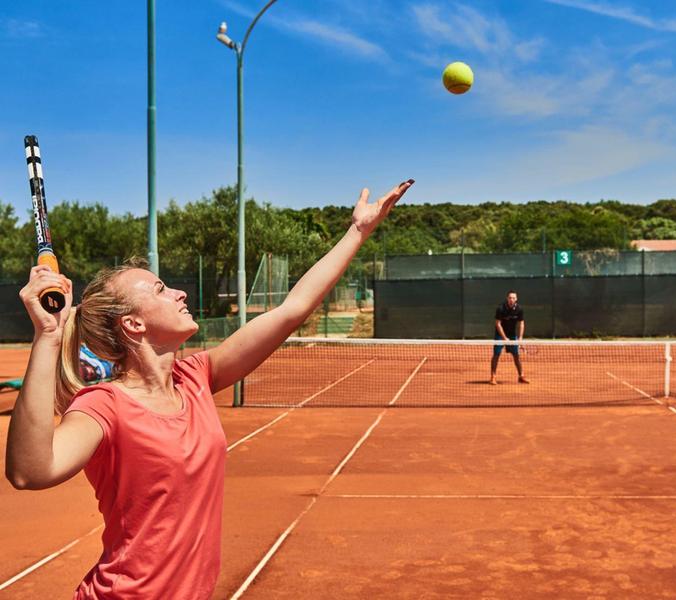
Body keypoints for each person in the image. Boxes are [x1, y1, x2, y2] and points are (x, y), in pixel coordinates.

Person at [5, 181, 413, 599]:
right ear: (134, 324)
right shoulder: (105, 406)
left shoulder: (196, 377)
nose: (180, 292)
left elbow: (292, 310)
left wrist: (358, 231)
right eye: (161, 290)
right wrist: (48, 336)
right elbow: (30, 472)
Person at [490, 290, 529, 385]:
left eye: (513, 298)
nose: (511, 299)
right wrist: (504, 338)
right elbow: (498, 324)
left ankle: (521, 376)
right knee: (496, 355)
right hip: (500, 334)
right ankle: (493, 377)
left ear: (516, 299)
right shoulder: (500, 308)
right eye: (510, 298)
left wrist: (520, 339)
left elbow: (521, 323)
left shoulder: (519, 309)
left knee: (516, 356)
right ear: (507, 298)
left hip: (512, 335)